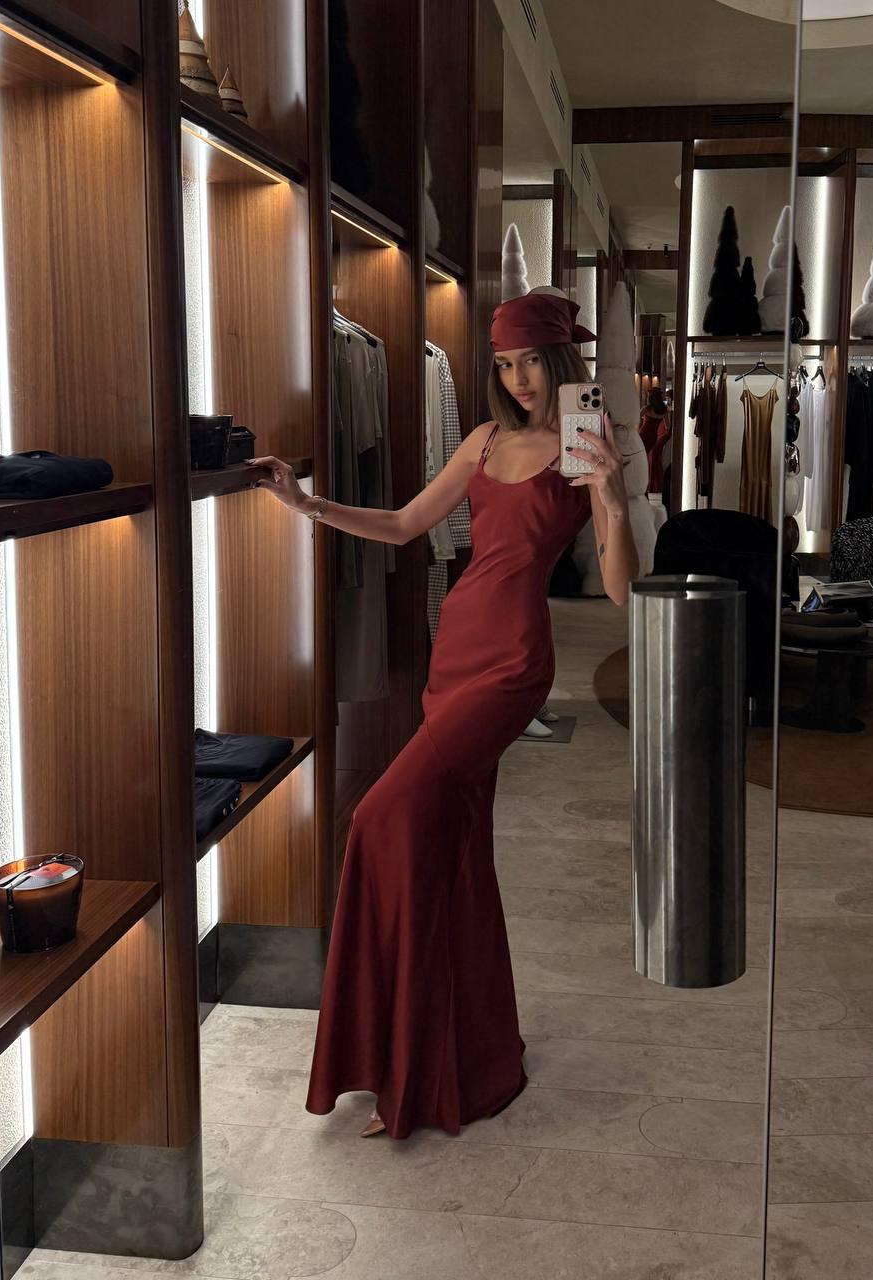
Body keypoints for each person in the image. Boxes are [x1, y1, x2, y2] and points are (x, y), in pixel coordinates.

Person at [250, 286, 639, 1140]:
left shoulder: (584, 448)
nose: (519, 378)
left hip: (512, 665)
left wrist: (611, 496)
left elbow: (619, 590)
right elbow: (403, 525)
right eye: (505, 363)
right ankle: (459, 1064)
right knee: (456, 857)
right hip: (453, 652)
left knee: (378, 818)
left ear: (559, 361)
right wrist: (307, 505)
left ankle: (402, 1057)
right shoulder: (484, 441)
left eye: (532, 361)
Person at [638, 385, 672, 496]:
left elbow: (635, 420)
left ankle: (642, 486)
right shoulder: (663, 410)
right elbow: (668, 426)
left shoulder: (646, 409)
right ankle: (648, 486)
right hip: (653, 438)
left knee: (641, 461)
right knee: (647, 461)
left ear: (651, 398)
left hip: (643, 436)